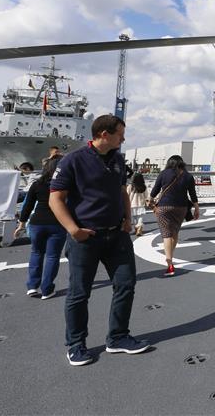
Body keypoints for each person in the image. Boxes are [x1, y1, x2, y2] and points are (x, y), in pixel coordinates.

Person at [48, 114, 150, 366]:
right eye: (120, 134)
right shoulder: (73, 160)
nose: (123, 139)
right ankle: (76, 344)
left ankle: (118, 337)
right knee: (79, 293)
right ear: (104, 134)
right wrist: (73, 230)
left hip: (117, 235)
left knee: (126, 285)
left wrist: (128, 219)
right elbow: (55, 198)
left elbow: (122, 192)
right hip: (86, 238)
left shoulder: (117, 160)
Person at [15, 157, 67, 299]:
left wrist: (21, 224)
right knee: (52, 256)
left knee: (36, 253)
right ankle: (47, 289)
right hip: (57, 223)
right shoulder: (65, 184)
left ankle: (32, 286)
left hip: (37, 223)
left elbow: (28, 205)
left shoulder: (37, 184)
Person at [149, 155, 200, 276]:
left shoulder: (163, 173)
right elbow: (192, 194)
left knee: (166, 234)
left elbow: (155, 190)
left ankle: (169, 263)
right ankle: (171, 256)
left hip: (164, 207)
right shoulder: (188, 176)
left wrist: (150, 201)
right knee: (175, 232)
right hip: (181, 208)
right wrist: (197, 208)